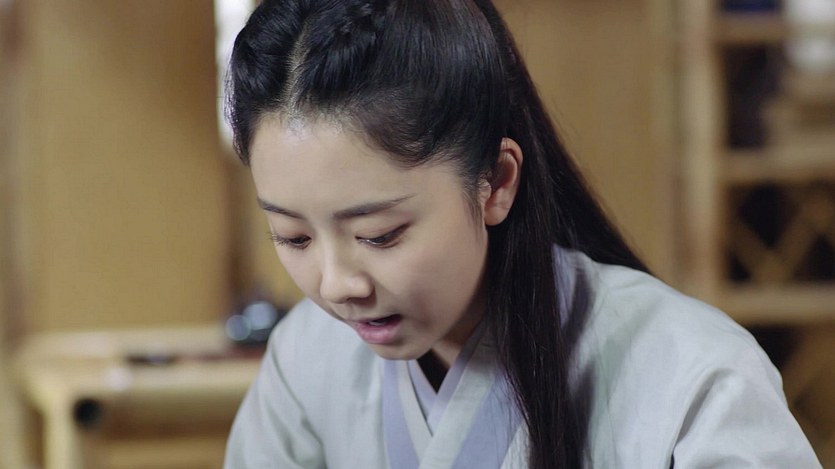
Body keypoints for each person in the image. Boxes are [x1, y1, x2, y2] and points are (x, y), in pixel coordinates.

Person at [222, 1, 822, 468]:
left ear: (496, 181)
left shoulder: (694, 377)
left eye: (379, 234)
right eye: (293, 237)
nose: (336, 285)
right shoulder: (307, 361)